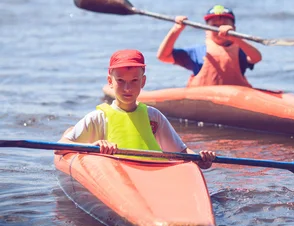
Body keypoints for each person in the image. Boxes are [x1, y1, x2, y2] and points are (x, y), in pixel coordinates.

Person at [58, 49, 216, 168]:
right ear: (110, 82)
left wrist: (201, 160)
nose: (127, 88)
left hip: (153, 177)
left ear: (143, 82)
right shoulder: (98, 117)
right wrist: (93, 147)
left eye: (134, 80)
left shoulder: (154, 117)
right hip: (116, 180)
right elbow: (60, 148)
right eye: (120, 81)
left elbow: (182, 153)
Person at [157, 5, 262, 88]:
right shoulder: (197, 52)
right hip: (203, 102)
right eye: (214, 26)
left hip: (235, 101)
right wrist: (176, 29)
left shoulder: (241, 50)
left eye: (224, 25)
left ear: (233, 28)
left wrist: (236, 38)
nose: (220, 29)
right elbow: (163, 56)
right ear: (207, 29)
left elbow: (256, 58)